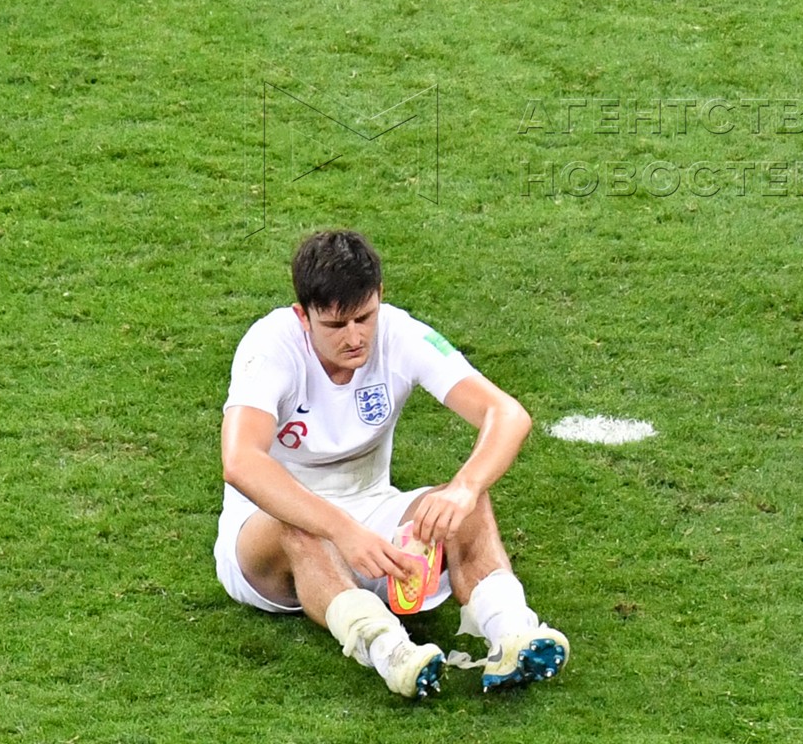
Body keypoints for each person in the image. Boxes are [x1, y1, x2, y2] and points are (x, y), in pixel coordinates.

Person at [214, 229, 569, 697]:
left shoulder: (399, 334)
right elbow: (241, 461)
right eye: (336, 325)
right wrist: (341, 529)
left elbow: (506, 414)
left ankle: (512, 635)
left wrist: (462, 489)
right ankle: (392, 653)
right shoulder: (270, 346)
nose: (355, 337)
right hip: (264, 539)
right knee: (298, 528)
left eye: (364, 317)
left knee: (466, 505)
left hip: (373, 517)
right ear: (303, 316)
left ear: (379, 296)